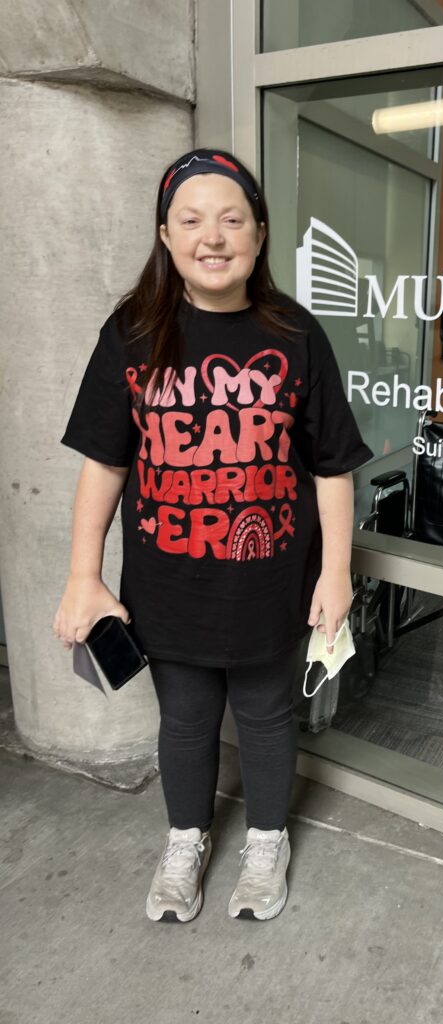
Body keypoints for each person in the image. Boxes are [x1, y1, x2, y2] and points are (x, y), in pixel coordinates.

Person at [52, 148, 373, 923]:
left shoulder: (296, 333)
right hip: (169, 589)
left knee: (264, 718)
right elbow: (105, 463)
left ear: (259, 235)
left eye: (232, 219)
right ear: (166, 235)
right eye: (192, 221)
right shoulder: (133, 333)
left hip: (270, 586)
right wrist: (82, 575)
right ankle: (186, 839)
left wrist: (335, 575)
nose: (214, 236)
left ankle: (267, 843)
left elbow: (332, 468)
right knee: (186, 721)